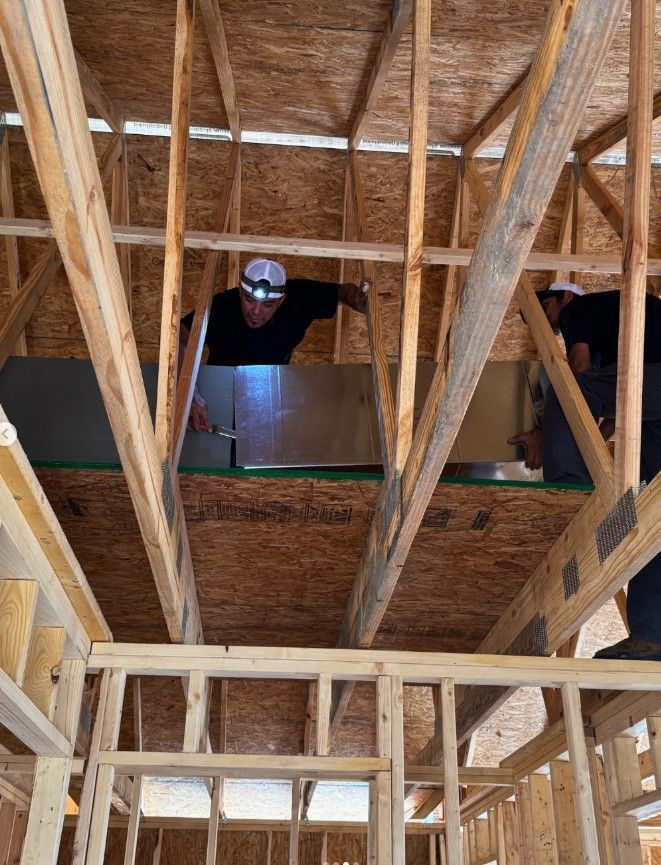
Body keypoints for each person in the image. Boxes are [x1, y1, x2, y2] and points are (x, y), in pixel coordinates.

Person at [508, 281, 661, 661]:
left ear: (563, 297)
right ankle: (651, 636)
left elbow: (577, 376)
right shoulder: (619, 327)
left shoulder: (582, 309)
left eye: (544, 310)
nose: (547, 324)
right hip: (654, 400)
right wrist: (581, 434)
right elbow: (606, 414)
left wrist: (549, 432)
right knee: (652, 519)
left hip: (656, 381)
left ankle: (568, 494)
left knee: (565, 389)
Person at [180, 257, 369, 431]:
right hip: (218, 395)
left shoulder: (299, 299)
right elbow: (180, 333)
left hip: (268, 397)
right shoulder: (221, 306)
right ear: (240, 291)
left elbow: (342, 292)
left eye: (267, 305)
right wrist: (189, 395)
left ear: (281, 300)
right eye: (249, 299)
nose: (256, 311)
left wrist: (355, 298)